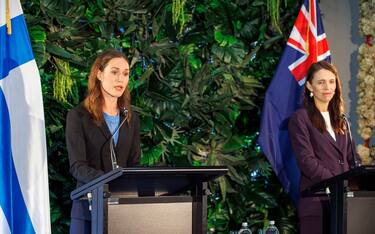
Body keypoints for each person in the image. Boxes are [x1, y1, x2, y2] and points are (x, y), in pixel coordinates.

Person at [65, 49, 141, 234]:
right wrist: (109, 182)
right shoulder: (78, 116)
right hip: (87, 211)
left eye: (125, 74)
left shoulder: (130, 118)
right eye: (114, 72)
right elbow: (77, 166)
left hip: (122, 211)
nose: (120, 79)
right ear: (99, 74)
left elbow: (133, 163)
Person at [288, 61, 359, 234]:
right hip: (316, 204)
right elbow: (307, 161)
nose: (328, 87)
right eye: (321, 82)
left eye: (331, 81)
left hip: (344, 204)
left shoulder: (341, 120)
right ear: (310, 86)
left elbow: (353, 159)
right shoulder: (300, 118)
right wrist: (337, 183)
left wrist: (354, 182)